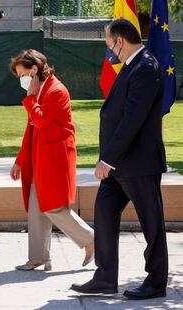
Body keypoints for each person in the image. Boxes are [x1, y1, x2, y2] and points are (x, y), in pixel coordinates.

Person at [71, 19, 168, 299]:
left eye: (109, 45)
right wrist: (110, 160)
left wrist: (108, 159)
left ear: (120, 41)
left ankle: (156, 281)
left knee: (151, 222)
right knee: (103, 212)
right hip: (119, 166)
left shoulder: (146, 67)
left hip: (138, 163)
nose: (110, 51)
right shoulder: (132, 66)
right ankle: (105, 278)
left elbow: (132, 120)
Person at [9, 49, 94, 271]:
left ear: (34, 69)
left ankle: (91, 240)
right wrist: (20, 160)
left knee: (53, 207)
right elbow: (31, 129)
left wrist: (29, 100)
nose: (21, 79)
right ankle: (38, 257)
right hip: (41, 158)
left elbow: (42, 121)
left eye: (22, 74)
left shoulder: (56, 90)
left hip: (55, 159)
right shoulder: (39, 90)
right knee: (37, 206)